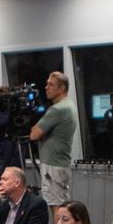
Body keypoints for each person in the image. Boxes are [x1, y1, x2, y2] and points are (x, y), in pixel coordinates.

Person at [29, 71, 77, 205]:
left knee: (57, 208)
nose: (46, 87)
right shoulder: (69, 105)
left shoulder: (57, 109)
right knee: (61, 206)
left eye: (51, 85)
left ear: (62, 88)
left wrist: (38, 131)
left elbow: (34, 135)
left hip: (53, 167)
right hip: (59, 164)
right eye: (46, 84)